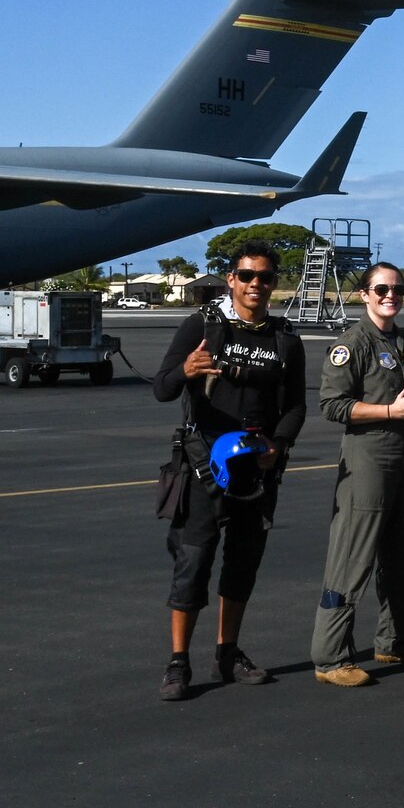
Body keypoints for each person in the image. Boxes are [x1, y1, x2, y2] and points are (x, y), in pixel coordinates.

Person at [151, 240, 306, 701]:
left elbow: (295, 405)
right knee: (193, 561)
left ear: (275, 284)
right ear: (230, 279)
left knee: (243, 561)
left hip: (256, 469)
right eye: (247, 276)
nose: (256, 284)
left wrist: (278, 445)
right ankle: (178, 662)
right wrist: (186, 367)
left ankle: (228, 651)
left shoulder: (285, 339)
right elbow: (162, 389)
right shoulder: (202, 325)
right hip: (204, 466)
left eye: (266, 277)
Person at [310, 264, 404, 686]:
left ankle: (396, 638)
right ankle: (330, 657)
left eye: (398, 288)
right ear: (365, 294)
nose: (391, 295)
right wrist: (390, 412)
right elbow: (333, 405)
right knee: (353, 555)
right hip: (370, 456)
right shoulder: (353, 343)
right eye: (381, 289)